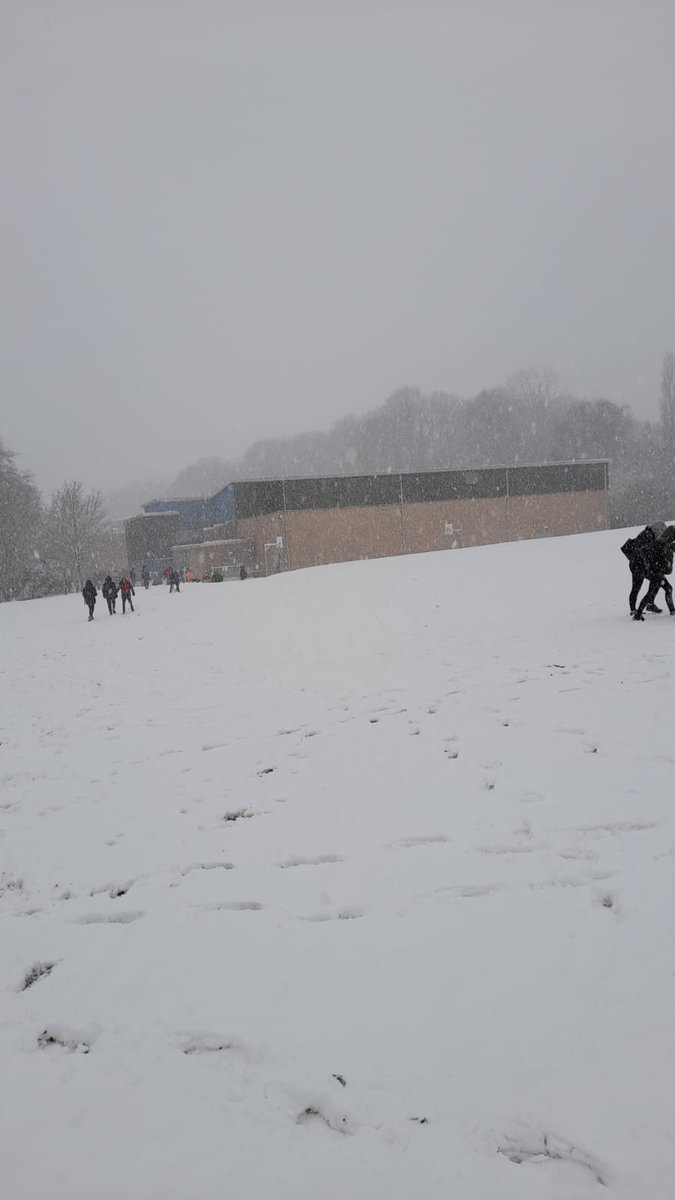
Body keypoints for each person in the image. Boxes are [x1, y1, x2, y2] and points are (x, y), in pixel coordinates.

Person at [631, 526, 675, 620]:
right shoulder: (660, 544)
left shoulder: (664, 543)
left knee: (668, 588)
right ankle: (638, 614)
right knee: (651, 593)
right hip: (655, 572)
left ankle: (672, 611)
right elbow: (646, 553)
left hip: (656, 571)